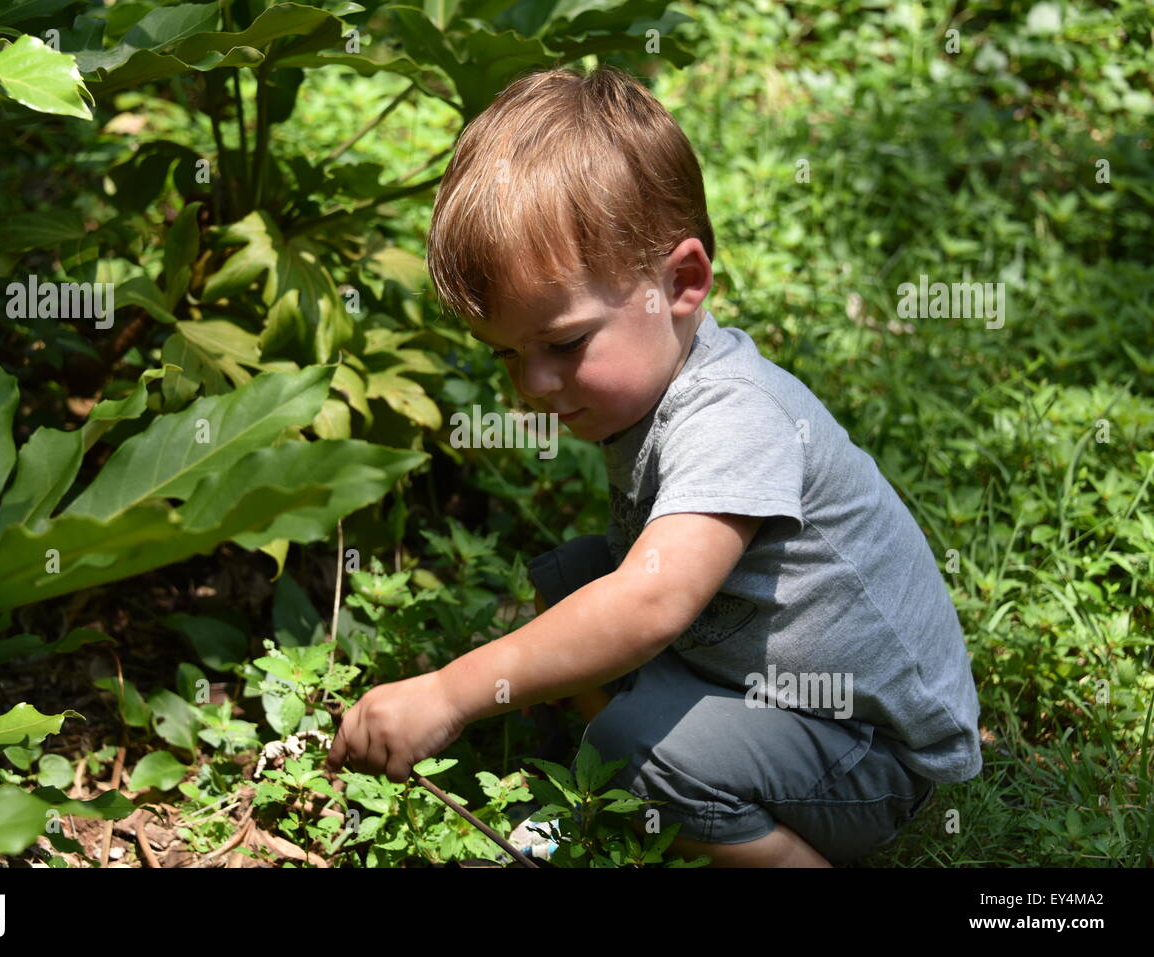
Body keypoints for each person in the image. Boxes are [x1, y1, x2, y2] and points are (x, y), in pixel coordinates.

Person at [326, 64, 983, 867]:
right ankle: (630, 790)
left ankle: (713, 814)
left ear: (683, 281)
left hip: (865, 749)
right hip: (759, 673)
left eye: (564, 343)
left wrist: (448, 691)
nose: (532, 383)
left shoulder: (736, 415)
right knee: (567, 583)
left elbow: (651, 603)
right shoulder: (654, 384)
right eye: (506, 355)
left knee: (642, 742)